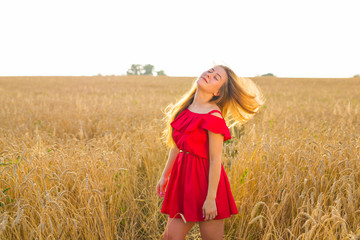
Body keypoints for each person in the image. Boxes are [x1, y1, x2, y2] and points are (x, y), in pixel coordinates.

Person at [156, 65, 265, 240]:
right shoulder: (184, 109)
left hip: (206, 183)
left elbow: (215, 160)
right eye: (210, 71)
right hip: (183, 179)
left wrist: (211, 199)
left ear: (218, 93)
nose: (209, 74)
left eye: (216, 77)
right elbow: (176, 147)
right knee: (170, 237)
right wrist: (165, 176)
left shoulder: (213, 115)